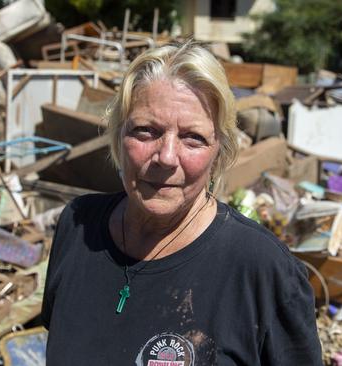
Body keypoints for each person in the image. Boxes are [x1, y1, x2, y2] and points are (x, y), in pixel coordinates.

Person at [41, 41, 322, 365]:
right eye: (146, 131)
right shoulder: (77, 227)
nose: (166, 157)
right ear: (119, 135)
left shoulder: (262, 269)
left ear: (219, 151)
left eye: (193, 138)